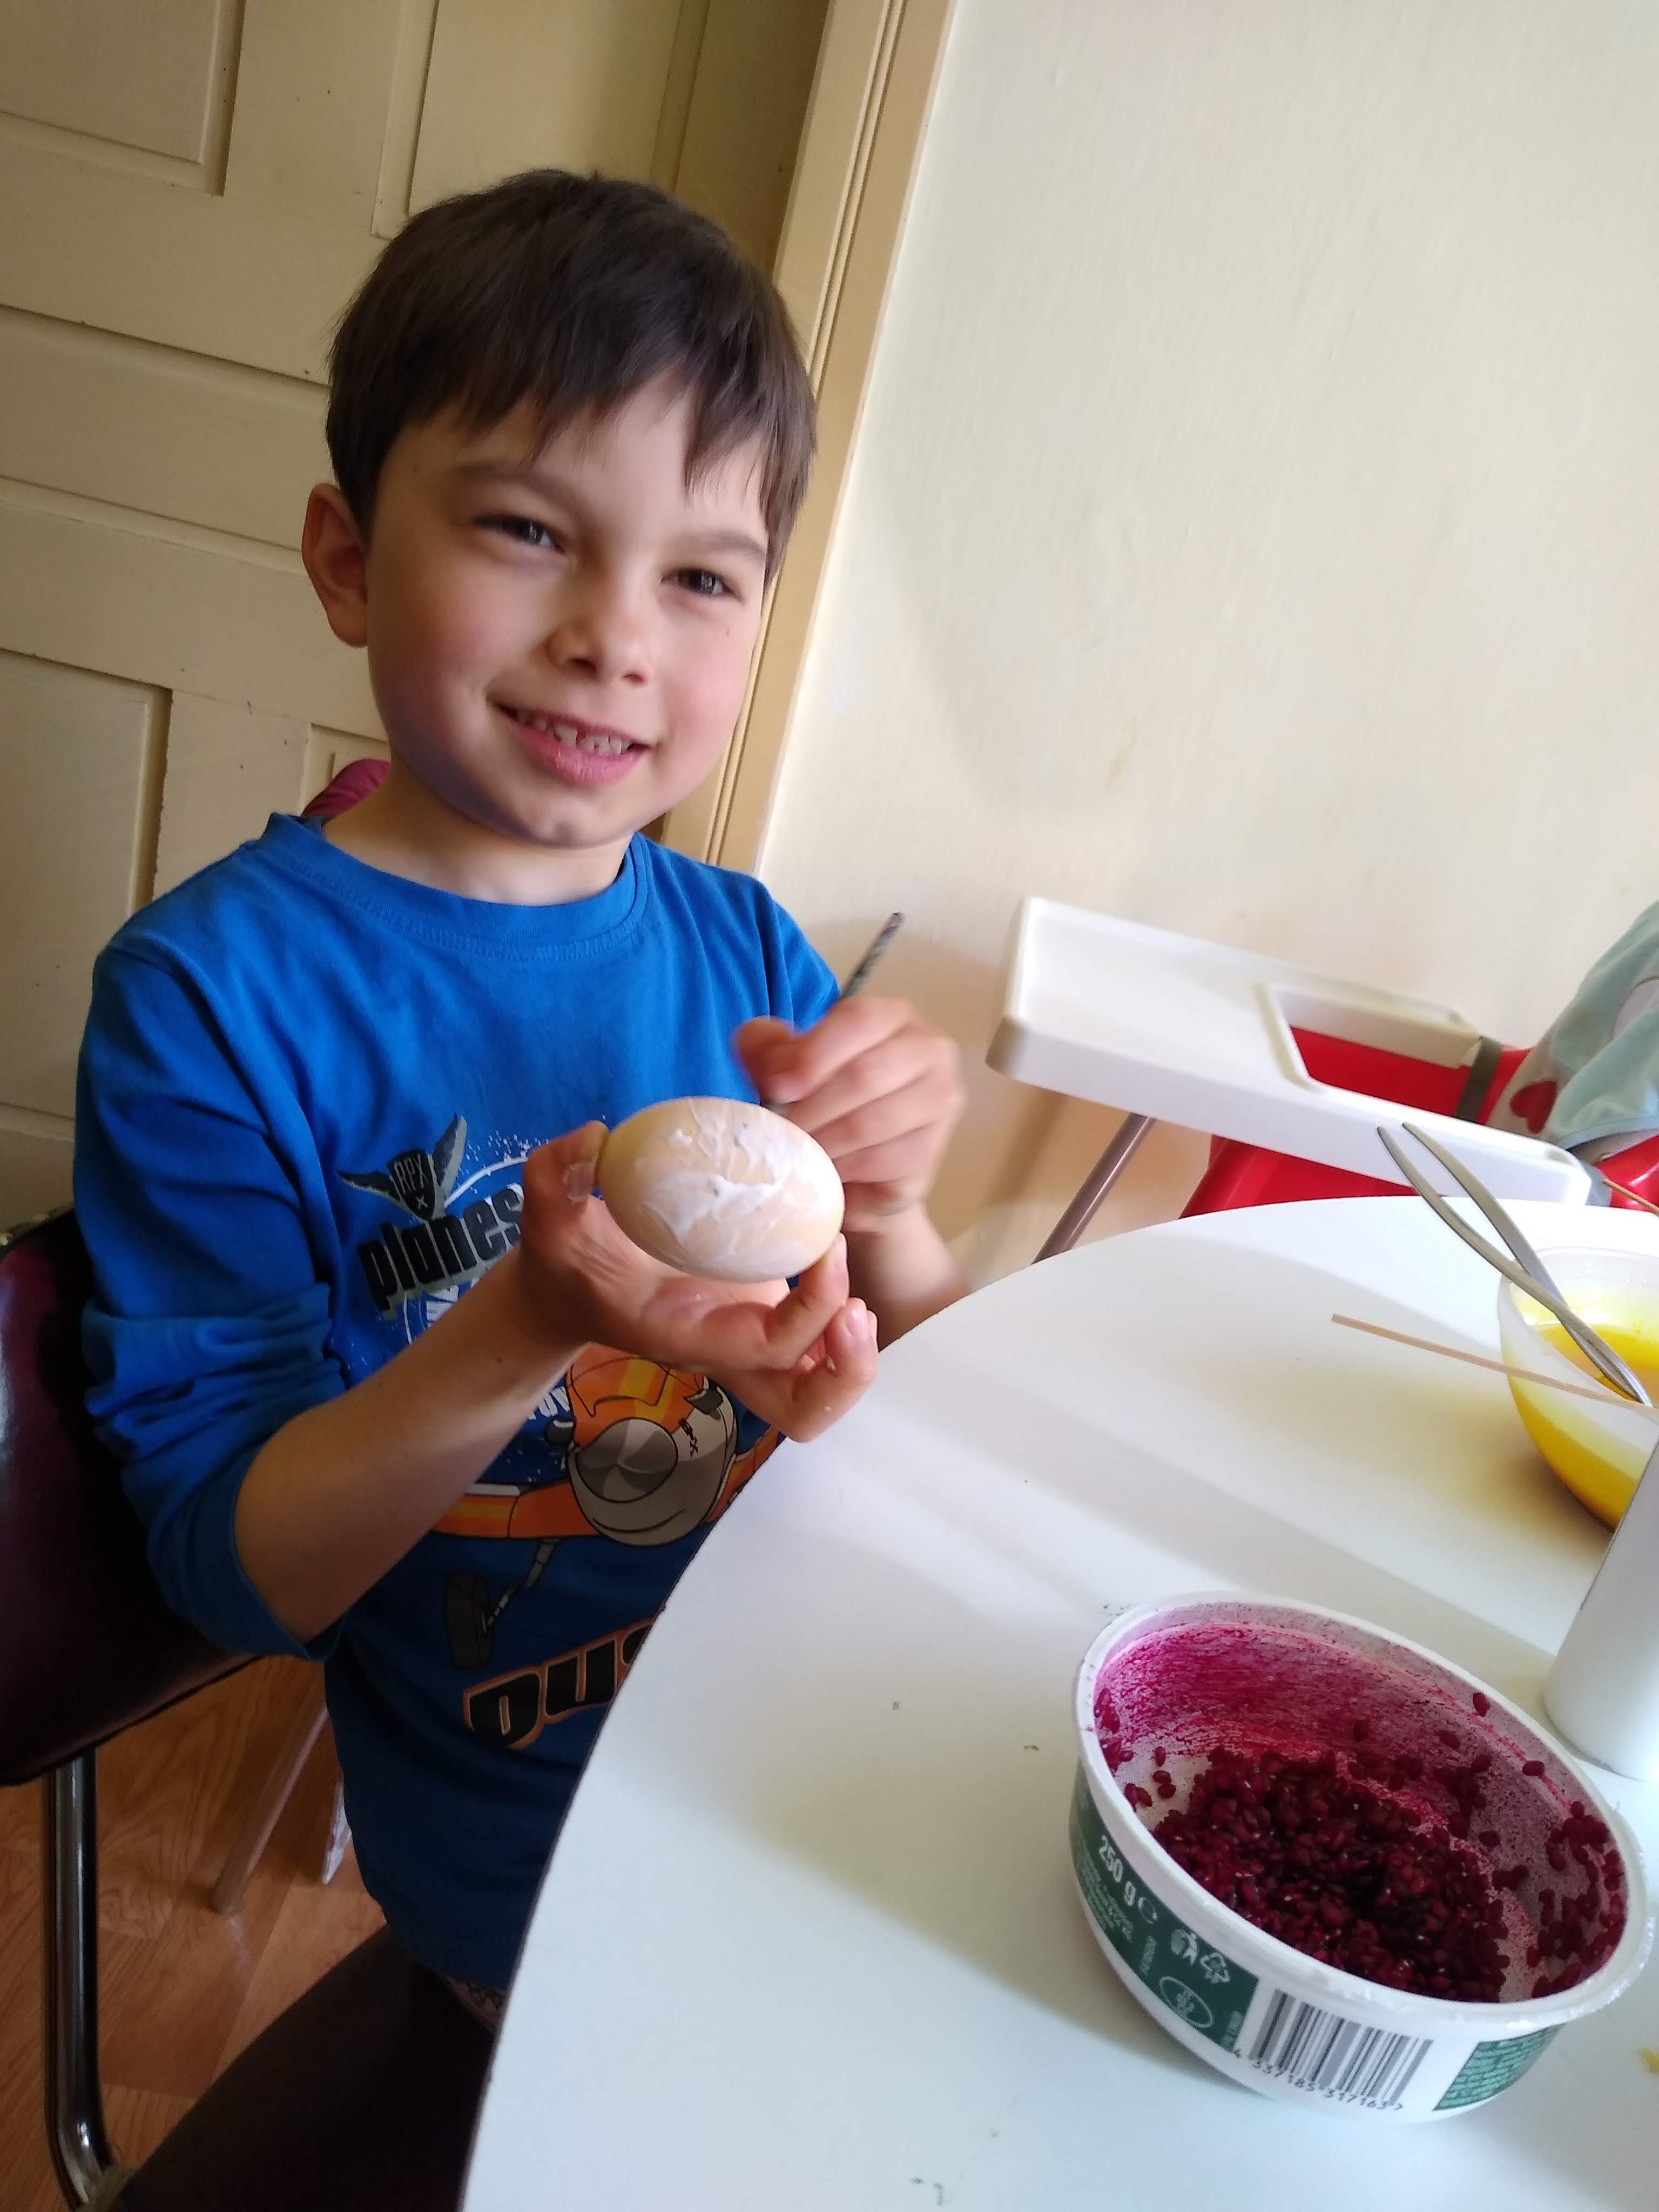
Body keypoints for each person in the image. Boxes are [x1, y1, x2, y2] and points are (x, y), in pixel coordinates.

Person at [74, 169, 965, 2206]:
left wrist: (902, 1215)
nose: (612, 639)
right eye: (528, 531)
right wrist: (532, 1321)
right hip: (546, 1882)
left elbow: (919, 1391)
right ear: (345, 557)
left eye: (703, 576)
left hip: (837, 1761)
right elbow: (238, 1567)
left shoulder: (748, 954)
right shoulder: (215, 1004)